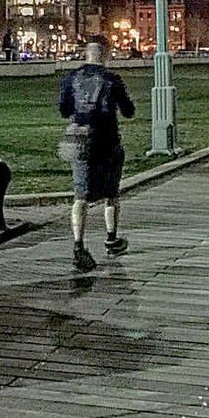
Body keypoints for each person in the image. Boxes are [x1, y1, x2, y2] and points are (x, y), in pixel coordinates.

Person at [58, 35, 135, 272]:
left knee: (80, 195)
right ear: (106, 53)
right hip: (107, 141)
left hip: (80, 139)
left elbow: (64, 109)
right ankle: (111, 238)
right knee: (111, 193)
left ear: (86, 53)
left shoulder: (72, 78)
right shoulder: (111, 79)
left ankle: (78, 244)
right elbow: (128, 111)